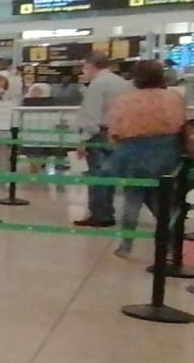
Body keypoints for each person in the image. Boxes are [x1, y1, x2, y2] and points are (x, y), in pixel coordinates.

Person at [103, 60, 185, 258]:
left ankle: (126, 245)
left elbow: (115, 132)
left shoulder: (125, 101)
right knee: (160, 197)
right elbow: (181, 124)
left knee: (133, 197)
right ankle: (172, 241)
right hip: (167, 153)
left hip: (133, 154)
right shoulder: (174, 97)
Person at [73, 53, 130, 228]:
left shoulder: (98, 84)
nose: (84, 70)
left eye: (85, 66)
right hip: (118, 133)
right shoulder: (121, 82)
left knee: (97, 175)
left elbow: (91, 114)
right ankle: (106, 211)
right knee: (108, 175)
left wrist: (83, 140)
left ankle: (101, 214)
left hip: (99, 134)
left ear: (91, 65)